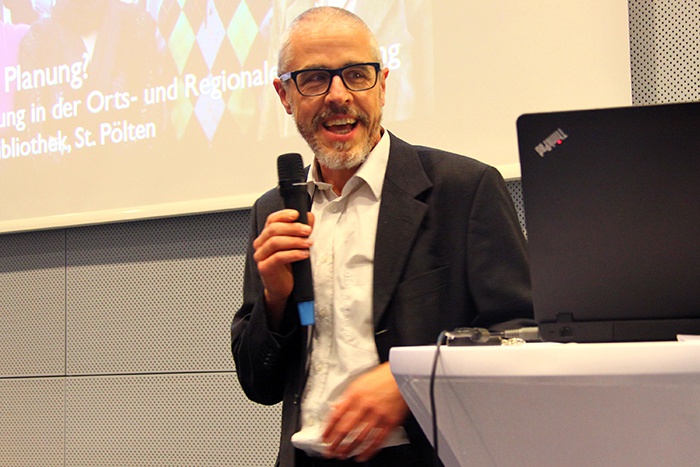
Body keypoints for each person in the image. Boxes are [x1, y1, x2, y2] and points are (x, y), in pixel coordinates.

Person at [231, 6, 533, 467]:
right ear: (284, 95)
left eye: (356, 75)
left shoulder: (462, 190)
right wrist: (274, 301)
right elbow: (260, 385)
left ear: (383, 85)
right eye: (314, 79)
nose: (338, 95)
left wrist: (413, 378)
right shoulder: (274, 210)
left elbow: (524, 334)